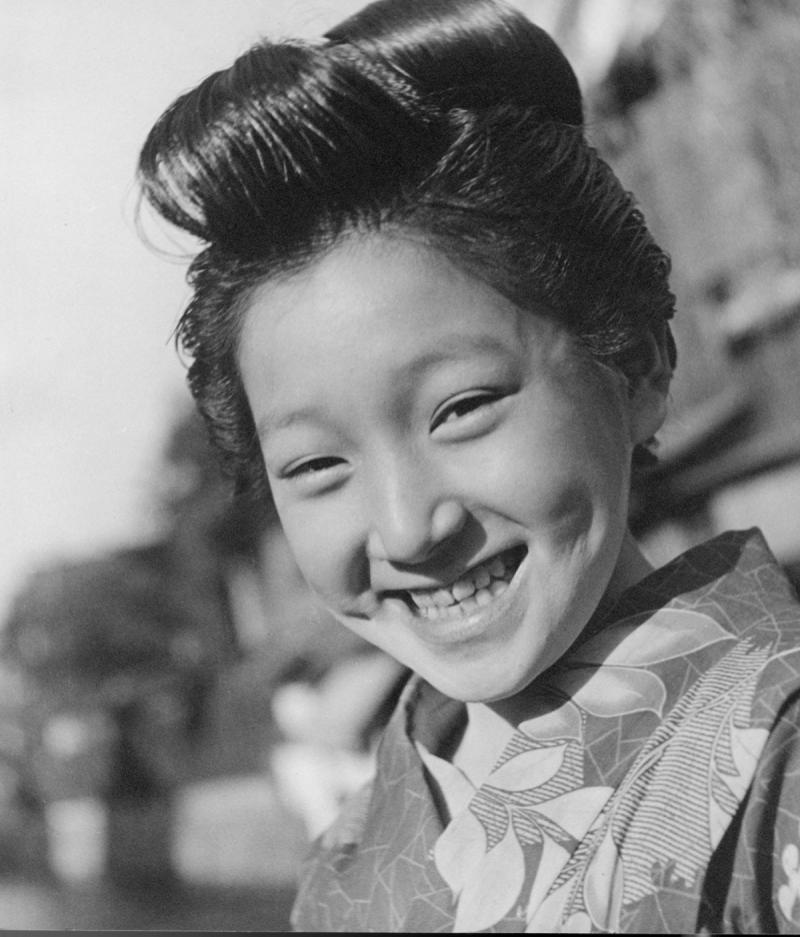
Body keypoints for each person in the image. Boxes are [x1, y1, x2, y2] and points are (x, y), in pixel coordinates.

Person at [136, 0, 800, 931]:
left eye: (463, 409)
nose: (410, 526)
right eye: (318, 464)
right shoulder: (350, 860)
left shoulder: (781, 765)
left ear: (638, 363)